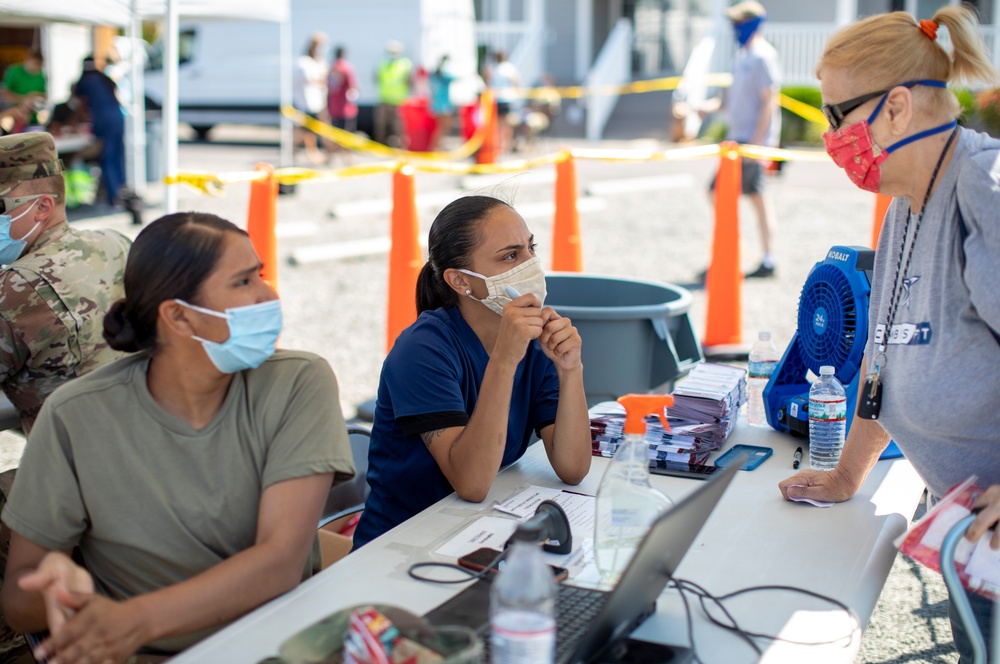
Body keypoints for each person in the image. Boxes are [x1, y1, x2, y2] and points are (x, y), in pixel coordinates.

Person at [1, 212, 355, 662]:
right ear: (180, 318)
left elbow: (280, 562)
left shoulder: (298, 383)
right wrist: (62, 593)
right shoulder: (75, 415)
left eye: (259, 276)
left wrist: (136, 619)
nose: (269, 295)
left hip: (282, 646)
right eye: (244, 283)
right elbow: (19, 601)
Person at [776, 7, 1000, 662]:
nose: (829, 135)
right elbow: (888, 362)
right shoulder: (905, 207)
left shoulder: (983, 189)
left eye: (837, 115)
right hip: (974, 538)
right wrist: (847, 473)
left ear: (896, 108)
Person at [352, 196, 592, 548]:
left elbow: (573, 468)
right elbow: (472, 483)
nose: (531, 264)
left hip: (480, 533)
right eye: (510, 256)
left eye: (530, 248)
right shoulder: (422, 349)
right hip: (401, 545)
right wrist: (505, 360)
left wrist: (571, 369)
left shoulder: (534, 340)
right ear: (460, 281)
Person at [0, 131, 130, 434]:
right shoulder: (115, 243)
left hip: (78, 471)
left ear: (43, 207)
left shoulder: (18, 287)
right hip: (144, 444)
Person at [701, 1, 781, 279]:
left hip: (751, 144)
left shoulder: (762, 56)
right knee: (723, 195)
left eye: (738, 23)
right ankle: (733, 255)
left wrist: (758, 144)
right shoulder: (741, 58)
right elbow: (726, 101)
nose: (735, 29)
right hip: (737, 143)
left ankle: (766, 259)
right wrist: (703, 108)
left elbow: (768, 101)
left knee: (755, 199)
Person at [71, 56, 125, 207]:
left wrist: (72, 122)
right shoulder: (104, 79)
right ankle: (120, 190)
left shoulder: (85, 82)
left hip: (104, 120)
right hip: (118, 118)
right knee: (117, 156)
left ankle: (113, 196)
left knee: (107, 156)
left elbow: (81, 105)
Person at [293, 33, 328, 165]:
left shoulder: (318, 61)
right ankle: (310, 153)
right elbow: (310, 80)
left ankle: (296, 151)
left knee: (306, 131)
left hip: (318, 102)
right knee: (306, 131)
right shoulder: (304, 63)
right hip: (305, 102)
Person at [373, 40, 412, 147]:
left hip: (399, 100)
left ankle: (400, 146)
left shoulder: (405, 64)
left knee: (399, 126)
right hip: (384, 99)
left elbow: (409, 80)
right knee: (381, 124)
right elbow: (377, 78)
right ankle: (380, 145)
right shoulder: (383, 63)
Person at [326, 45, 359, 164]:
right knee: (347, 133)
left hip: (333, 106)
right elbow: (353, 87)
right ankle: (347, 156)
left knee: (334, 133)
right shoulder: (347, 68)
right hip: (345, 107)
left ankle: (331, 156)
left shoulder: (332, 68)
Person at [486, 50, 521, 154]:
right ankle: (506, 144)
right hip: (505, 99)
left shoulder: (493, 68)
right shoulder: (508, 68)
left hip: (497, 98)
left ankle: (501, 145)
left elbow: (488, 81)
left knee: (499, 124)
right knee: (506, 124)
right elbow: (516, 81)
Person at [1, 51, 46, 128]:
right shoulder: (14, 71)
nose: (36, 67)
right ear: (27, 61)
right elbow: (4, 93)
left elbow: (44, 96)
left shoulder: (41, 75)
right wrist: (23, 100)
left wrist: (35, 98)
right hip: (12, 116)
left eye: (39, 65)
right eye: (35, 63)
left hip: (33, 117)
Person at [428, 54, 456, 151]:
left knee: (441, 127)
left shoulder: (433, 76)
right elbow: (456, 77)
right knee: (443, 127)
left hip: (436, 105)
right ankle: (435, 147)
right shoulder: (444, 76)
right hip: (443, 105)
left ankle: (438, 145)